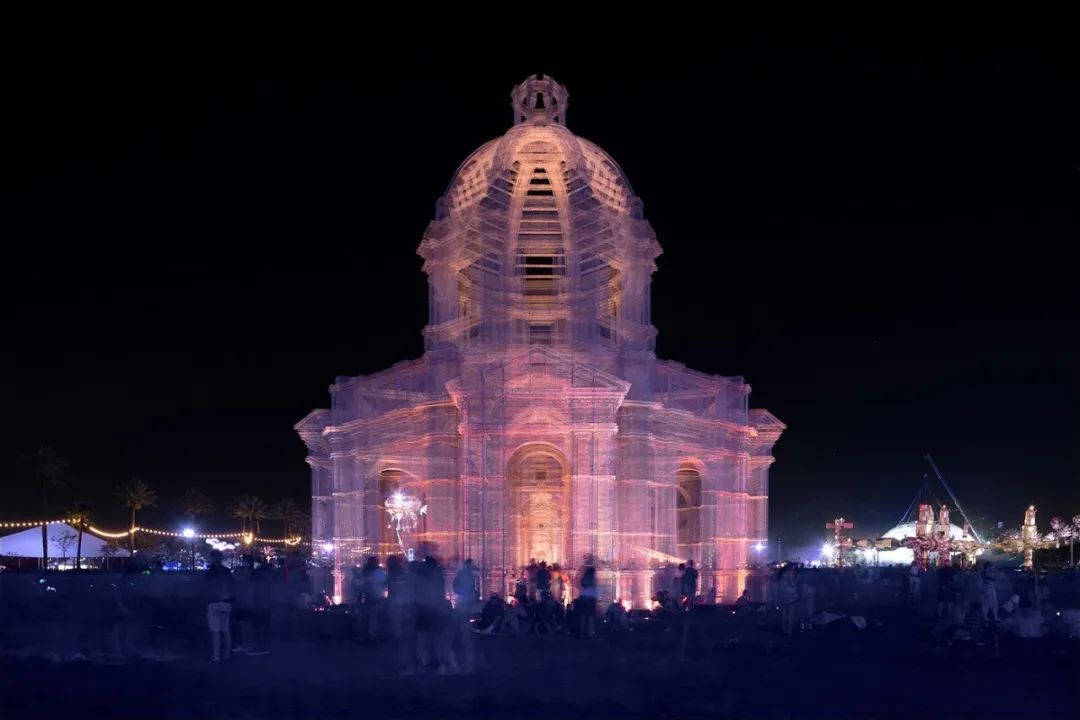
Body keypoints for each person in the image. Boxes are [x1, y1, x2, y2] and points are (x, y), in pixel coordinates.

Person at [205, 551, 234, 663]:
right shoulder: (227, 571)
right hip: (226, 603)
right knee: (226, 630)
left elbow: (206, 588)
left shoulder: (210, 572)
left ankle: (216, 657)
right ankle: (227, 655)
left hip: (213, 603)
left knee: (216, 632)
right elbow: (232, 587)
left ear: (212, 558)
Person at [578, 565, 598, 638]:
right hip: (591, 597)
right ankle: (590, 632)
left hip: (584, 597)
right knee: (590, 615)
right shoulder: (592, 579)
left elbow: (582, 584)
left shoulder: (584, 578)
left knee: (583, 615)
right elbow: (595, 587)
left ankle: (582, 632)